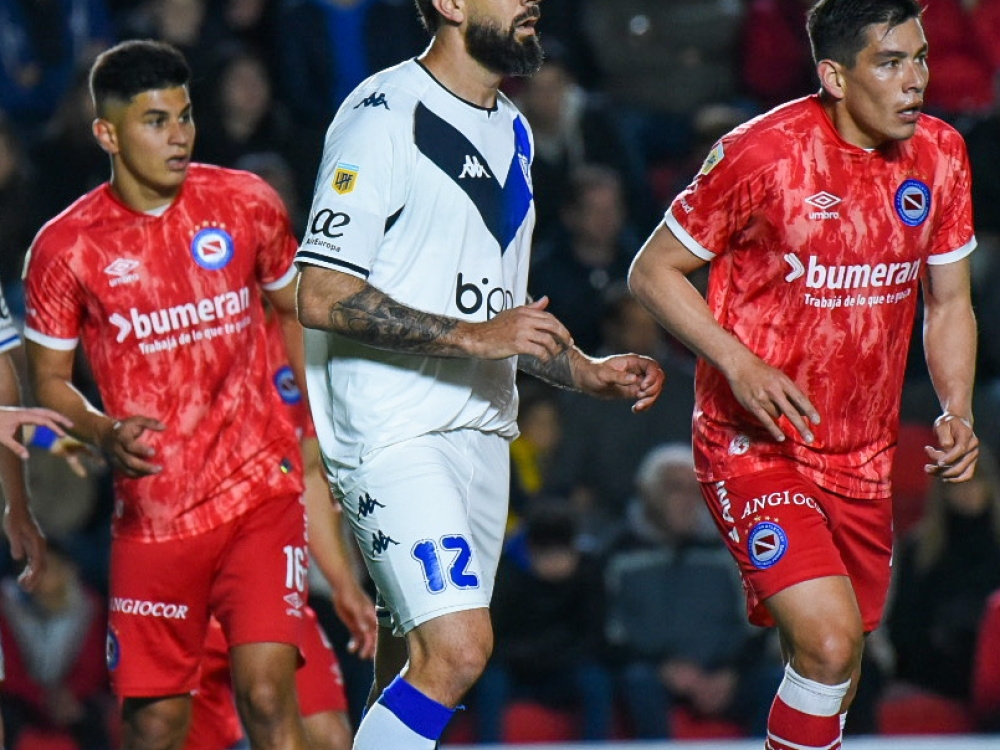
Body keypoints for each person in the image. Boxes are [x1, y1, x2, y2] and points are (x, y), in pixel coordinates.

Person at [293, 1, 666, 748]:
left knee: (412, 658)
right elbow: (320, 293)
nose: (533, 3)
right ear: (450, 3)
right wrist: (476, 335)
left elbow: (501, 313)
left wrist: (584, 371)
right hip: (395, 425)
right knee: (461, 650)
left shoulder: (514, 130)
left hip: (482, 431)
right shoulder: (382, 112)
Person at [627, 2, 979, 750]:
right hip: (755, 444)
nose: (916, 79)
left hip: (863, 456)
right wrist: (736, 358)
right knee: (827, 644)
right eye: (891, 63)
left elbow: (948, 302)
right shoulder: (762, 154)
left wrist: (957, 409)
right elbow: (652, 271)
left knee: (831, 671)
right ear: (834, 76)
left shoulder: (943, 153)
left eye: (919, 58)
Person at [22, 40, 312, 750]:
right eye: (156, 120)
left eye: (185, 116)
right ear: (108, 134)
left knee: (270, 695)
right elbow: (48, 385)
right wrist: (99, 431)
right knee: (155, 725)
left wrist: (314, 424)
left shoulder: (247, 203)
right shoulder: (65, 249)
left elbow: (299, 312)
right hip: (154, 514)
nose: (179, 134)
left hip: (259, 493)